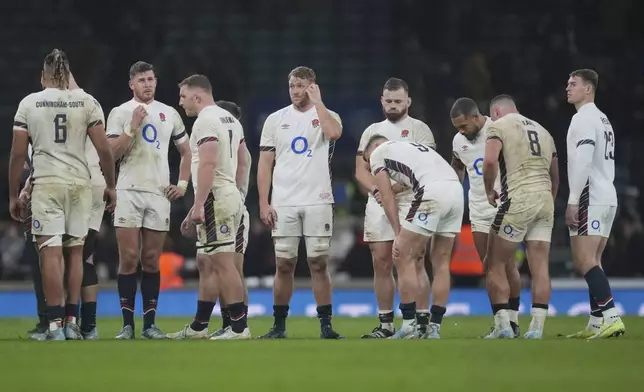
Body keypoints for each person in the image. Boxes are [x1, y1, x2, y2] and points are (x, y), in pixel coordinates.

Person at [8, 49, 116, 341]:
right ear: (67, 75)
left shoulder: (29, 103)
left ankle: (54, 326)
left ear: (43, 76)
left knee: (51, 257)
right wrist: (111, 185)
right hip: (80, 184)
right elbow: (104, 149)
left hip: (47, 184)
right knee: (76, 254)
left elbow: (18, 154)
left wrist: (13, 194)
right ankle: (72, 321)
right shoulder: (87, 102)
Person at [257, 66, 343, 339]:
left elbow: (334, 134)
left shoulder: (327, 116)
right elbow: (264, 165)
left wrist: (318, 102)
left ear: (312, 87)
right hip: (284, 202)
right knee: (284, 264)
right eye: (292, 86)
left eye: (301, 86)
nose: (295, 91)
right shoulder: (275, 119)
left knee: (318, 263)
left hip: (318, 200)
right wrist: (263, 201)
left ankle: (326, 326)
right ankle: (279, 326)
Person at [106, 61, 191, 340]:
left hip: (158, 193)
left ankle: (150, 324)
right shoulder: (120, 112)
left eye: (151, 79)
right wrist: (132, 127)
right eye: (142, 80)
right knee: (129, 258)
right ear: (131, 84)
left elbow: (186, 152)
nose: (148, 84)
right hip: (128, 190)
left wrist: (181, 184)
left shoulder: (170, 114)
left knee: (152, 259)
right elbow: (112, 154)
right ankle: (127, 325)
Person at [169, 75, 250, 340]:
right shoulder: (230, 119)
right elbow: (242, 160)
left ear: (197, 96)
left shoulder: (205, 121)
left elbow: (207, 163)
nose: (181, 103)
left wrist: (199, 204)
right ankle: (200, 327)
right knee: (212, 261)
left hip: (216, 195)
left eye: (183, 97)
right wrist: (236, 194)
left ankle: (238, 327)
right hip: (227, 194)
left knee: (223, 263)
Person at [355, 78, 436, 339]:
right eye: (388, 101)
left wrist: (394, 189)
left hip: (412, 199)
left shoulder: (420, 130)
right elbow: (360, 171)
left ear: (408, 101)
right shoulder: (371, 131)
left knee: (414, 259)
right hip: (379, 201)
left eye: (397, 101)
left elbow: (428, 168)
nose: (392, 106)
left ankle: (421, 320)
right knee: (381, 261)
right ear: (381, 101)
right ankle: (386, 324)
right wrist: (379, 190)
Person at [362, 136, 463, 339]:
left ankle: (408, 326)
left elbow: (387, 197)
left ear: (373, 149)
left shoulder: (377, 154)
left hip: (432, 192)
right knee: (441, 261)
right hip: (456, 191)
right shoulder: (411, 147)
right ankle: (434, 328)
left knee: (402, 255)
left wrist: (398, 232)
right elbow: (404, 183)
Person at [482, 95, 558, 339]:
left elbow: (491, 159)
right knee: (540, 267)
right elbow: (555, 176)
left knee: (495, 262)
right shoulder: (544, 131)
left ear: (495, 111)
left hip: (518, 199)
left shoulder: (498, 126)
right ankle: (536, 329)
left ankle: (504, 326)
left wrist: (488, 190)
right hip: (545, 200)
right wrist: (549, 200)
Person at [449, 97, 522, 337]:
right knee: (489, 266)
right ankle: (501, 323)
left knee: (507, 264)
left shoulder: (498, 129)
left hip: (505, 206)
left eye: (464, 126)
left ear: (475, 116)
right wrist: (454, 189)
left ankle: (513, 320)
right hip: (479, 209)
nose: (461, 131)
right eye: (457, 128)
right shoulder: (459, 141)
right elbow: (458, 166)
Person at [564, 69, 625, 339]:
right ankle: (596, 321)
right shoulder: (603, 118)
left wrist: (573, 200)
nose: (568, 87)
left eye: (573, 83)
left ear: (588, 89)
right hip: (606, 194)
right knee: (594, 260)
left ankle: (612, 317)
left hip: (591, 196)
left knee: (584, 259)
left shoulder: (584, 118)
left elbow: (585, 159)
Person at [210, 100, 251, 337]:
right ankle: (230, 323)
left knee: (233, 268)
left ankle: (239, 325)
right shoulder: (235, 149)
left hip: (232, 208)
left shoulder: (237, 150)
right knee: (224, 268)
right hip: (229, 207)